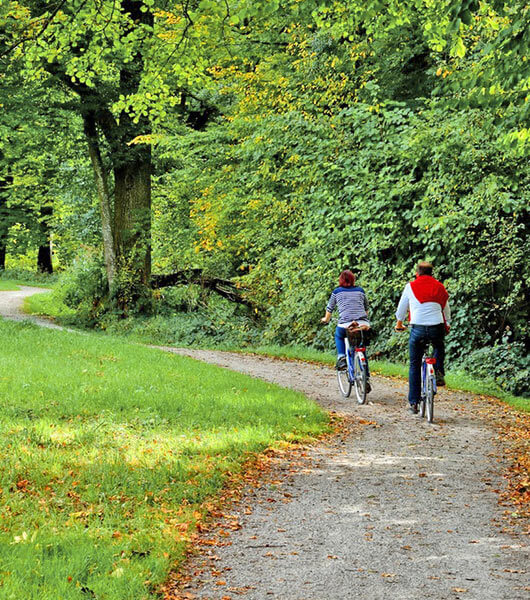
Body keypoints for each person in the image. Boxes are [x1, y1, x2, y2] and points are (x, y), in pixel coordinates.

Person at [395, 261, 451, 414]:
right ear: (432, 273)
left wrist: (399, 324)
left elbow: (401, 310)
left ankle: (413, 403)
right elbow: (446, 308)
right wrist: (449, 322)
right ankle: (438, 371)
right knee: (439, 346)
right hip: (436, 327)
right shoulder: (439, 286)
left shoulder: (410, 286)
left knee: (414, 364)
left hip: (418, 329)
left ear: (417, 273)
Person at [321, 269, 372, 392]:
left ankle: (342, 357)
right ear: (353, 280)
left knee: (339, 335)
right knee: (361, 346)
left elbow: (330, 308)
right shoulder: (360, 291)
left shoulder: (337, 292)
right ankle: (366, 377)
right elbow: (366, 309)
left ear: (341, 280)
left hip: (345, 325)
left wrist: (325, 319)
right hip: (362, 324)